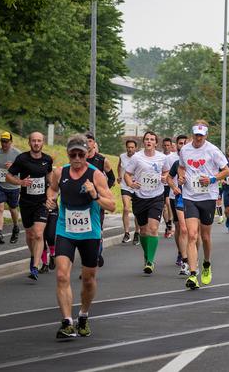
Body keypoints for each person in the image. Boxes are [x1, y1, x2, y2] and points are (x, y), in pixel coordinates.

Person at [46, 134, 115, 339]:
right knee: (61, 275)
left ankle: (83, 314)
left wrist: (95, 194)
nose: (77, 158)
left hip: (89, 232)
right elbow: (52, 190)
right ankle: (67, 322)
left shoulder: (96, 175)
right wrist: (50, 201)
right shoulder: (60, 173)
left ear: (87, 154)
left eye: (81, 154)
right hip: (65, 229)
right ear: (68, 154)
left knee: (88, 279)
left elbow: (111, 205)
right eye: (72, 154)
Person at [177, 121, 229, 289]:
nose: (198, 138)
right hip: (190, 196)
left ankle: (206, 263)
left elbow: (226, 171)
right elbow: (181, 167)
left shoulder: (212, 150)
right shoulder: (185, 149)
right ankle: (193, 274)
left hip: (208, 197)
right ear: (192, 134)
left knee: (205, 237)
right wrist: (181, 176)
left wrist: (212, 179)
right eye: (196, 135)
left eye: (201, 135)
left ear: (206, 135)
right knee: (192, 235)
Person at [6, 132, 53, 280]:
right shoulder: (22, 159)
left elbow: (50, 178)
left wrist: (51, 194)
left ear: (43, 143)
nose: (36, 143)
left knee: (39, 234)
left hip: (42, 202)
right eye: (34, 141)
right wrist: (20, 182)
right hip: (26, 202)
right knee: (29, 234)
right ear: (29, 142)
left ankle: (35, 265)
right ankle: (34, 256)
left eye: (39, 141)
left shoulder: (47, 159)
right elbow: (9, 175)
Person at [123, 131, 168, 274]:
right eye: (147, 139)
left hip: (156, 196)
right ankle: (146, 254)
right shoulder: (137, 157)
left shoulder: (162, 157)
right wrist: (130, 184)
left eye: (152, 139)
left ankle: (150, 260)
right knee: (143, 230)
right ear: (144, 142)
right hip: (140, 197)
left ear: (156, 143)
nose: (149, 141)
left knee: (153, 228)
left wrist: (164, 177)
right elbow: (127, 174)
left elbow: (167, 172)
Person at [85, 133, 115, 267]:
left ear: (94, 143)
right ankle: (90, 256)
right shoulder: (79, 159)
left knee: (97, 228)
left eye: (90, 141)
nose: (87, 144)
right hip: (82, 199)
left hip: (97, 200)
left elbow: (112, 178)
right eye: (85, 141)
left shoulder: (102, 160)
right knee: (85, 229)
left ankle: (96, 253)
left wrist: (103, 193)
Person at [0, 131, 21, 244]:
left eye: (6, 142)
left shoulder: (18, 154)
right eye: (2, 141)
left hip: (13, 186)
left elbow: (23, 169)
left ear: (11, 142)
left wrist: (14, 166)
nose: (4, 144)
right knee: (0, 208)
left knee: (13, 209)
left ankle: (16, 227)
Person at [165, 135, 189, 273]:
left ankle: (191, 255)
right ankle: (182, 253)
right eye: (181, 143)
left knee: (191, 231)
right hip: (177, 197)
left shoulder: (195, 160)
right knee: (180, 227)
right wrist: (174, 187)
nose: (183, 145)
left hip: (194, 198)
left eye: (186, 143)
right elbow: (168, 177)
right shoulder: (175, 161)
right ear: (177, 145)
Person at [118, 139, 139, 244]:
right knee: (126, 208)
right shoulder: (122, 156)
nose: (130, 149)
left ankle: (137, 233)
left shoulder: (139, 157)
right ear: (126, 147)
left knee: (137, 212)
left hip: (137, 186)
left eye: (132, 147)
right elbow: (119, 166)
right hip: (125, 186)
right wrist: (119, 176)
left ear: (135, 148)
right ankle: (126, 233)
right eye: (128, 147)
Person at [161, 137, 175, 238]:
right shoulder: (159, 157)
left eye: (168, 145)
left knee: (168, 203)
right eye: (164, 145)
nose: (166, 147)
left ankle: (170, 221)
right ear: (162, 146)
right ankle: (167, 224)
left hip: (171, 184)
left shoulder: (174, 157)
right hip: (161, 185)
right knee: (164, 207)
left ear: (171, 146)